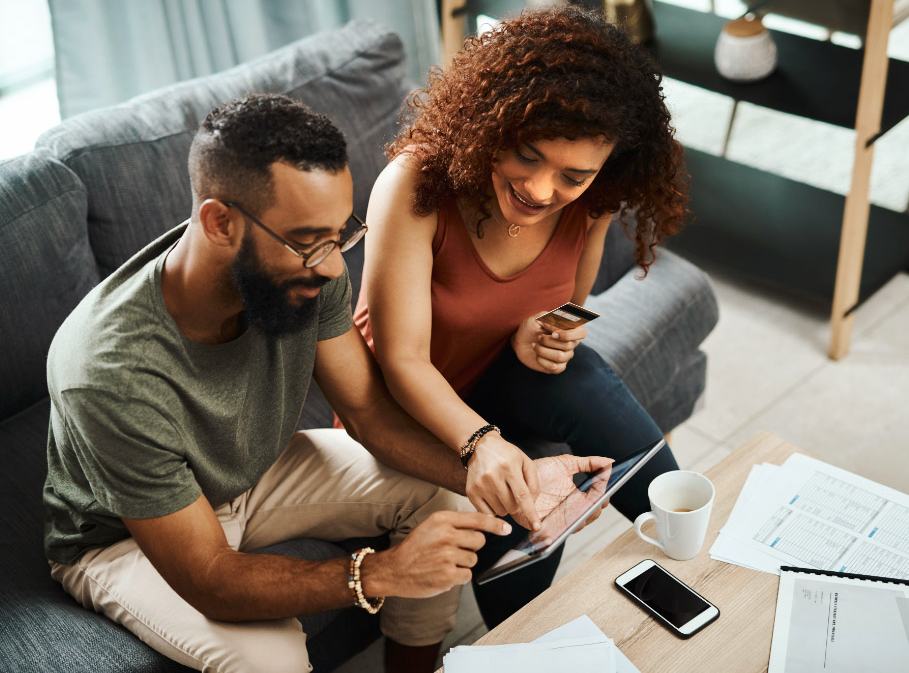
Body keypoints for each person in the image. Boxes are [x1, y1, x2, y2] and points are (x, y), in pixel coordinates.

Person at [42, 93, 604, 673]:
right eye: (311, 242)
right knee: (272, 658)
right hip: (123, 537)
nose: (337, 267)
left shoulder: (312, 261)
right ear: (219, 222)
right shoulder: (109, 372)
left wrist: (517, 480)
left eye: (342, 235)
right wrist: (380, 572)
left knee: (446, 493)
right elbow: (208, 577)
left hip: (252, 471)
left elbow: (371, 416)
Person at [354, 5, 688, 627]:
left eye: (572, 175)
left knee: (580, 375)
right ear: (493, 123)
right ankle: (523, 635)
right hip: (412, 406)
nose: (539, 190)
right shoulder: (418, 183)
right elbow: (400, 360)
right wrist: (481, 443)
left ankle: (695, 548)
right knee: (521, 491)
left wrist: (543, 332)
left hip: (500, 379)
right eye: (527, 155)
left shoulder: (595, 198)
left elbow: (568, 305)